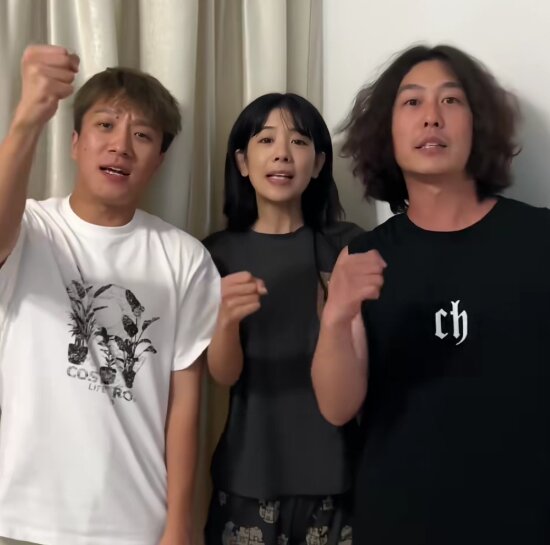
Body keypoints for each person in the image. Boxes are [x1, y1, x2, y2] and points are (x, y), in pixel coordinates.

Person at [312, 44, 550, 545]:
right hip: (399, 518)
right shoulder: (362, 257)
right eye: (412, 102)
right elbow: (336, 408)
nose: (431, 117)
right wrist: (335, 318)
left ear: (478, 123)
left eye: (451, 100)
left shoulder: (539, 239)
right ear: (387, 131)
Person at [0, 45, 220, 545]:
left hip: (135, 525)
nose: (121, 145)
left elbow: (185, 405)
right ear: (75, 143)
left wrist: (179, 523)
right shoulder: (30, 227)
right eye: (105, 126)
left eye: (142, 135)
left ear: (159, 160)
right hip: (20, 519)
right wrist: (28, 117)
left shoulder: (184, 257)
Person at [203, 93, 360, 545]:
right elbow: (223, 375)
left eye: (299, 141)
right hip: (248, 472)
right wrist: (225, 321)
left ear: (319, 163)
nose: (282, 154)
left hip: (335, 475)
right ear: (242, 161)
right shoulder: (214, 254)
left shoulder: (347, 248)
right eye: (266, 139)